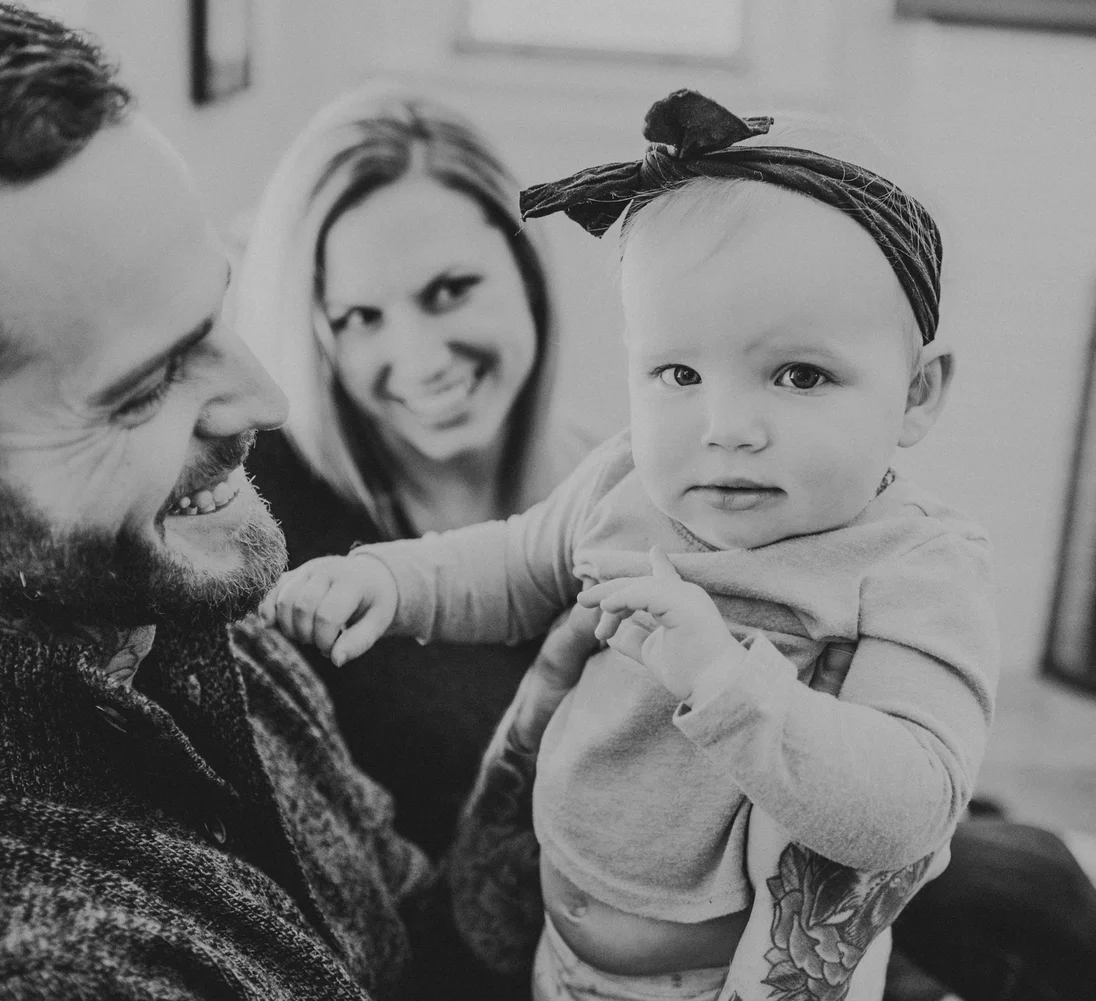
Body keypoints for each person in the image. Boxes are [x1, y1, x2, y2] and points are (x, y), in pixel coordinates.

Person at [0, 4, 564, 997]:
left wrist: (542, 772)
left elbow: (409, 941)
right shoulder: (23, 962)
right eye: (144, 386)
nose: (267, 401)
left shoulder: (184, 602)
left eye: (217, 313)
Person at [266, 90, 999, 1001]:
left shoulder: (910, 567)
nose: (727, 425)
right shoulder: (624, 485)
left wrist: (726, 682)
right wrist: (389, 576)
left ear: (918, 393)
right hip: (556, 958)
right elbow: (510, 560)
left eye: (800, 374)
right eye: (679, 372)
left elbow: (914, 806)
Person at [236, 84, 593, 857]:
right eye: (361, 317)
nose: (423, 360)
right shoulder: (263, 518)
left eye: (451, 290)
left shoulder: (614, 488)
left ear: (527, 268)